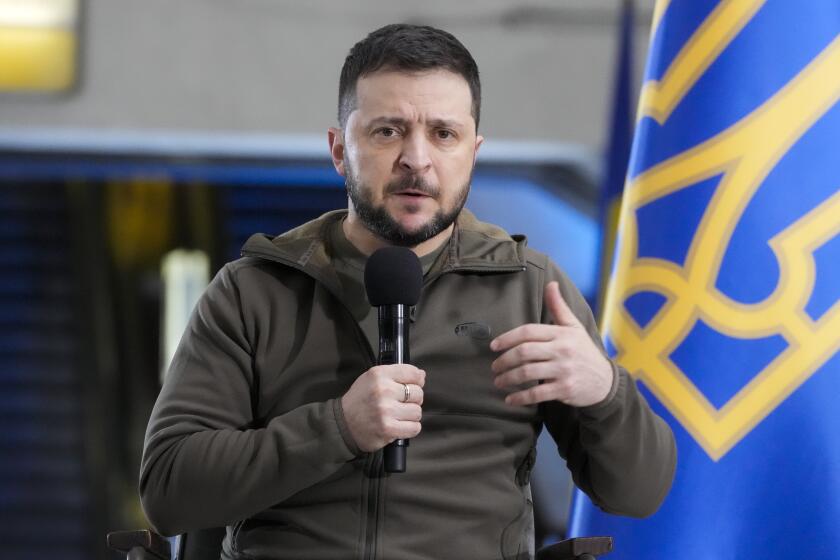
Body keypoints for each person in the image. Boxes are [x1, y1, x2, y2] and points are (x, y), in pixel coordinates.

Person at [139, 23, 676, 560]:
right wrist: (338, 427)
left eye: (444, 134)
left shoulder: (530, 289)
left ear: (473, 150)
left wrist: (605, 391)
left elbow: (639, 492)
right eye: (388, 131)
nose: (417, 159)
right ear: (338, 150)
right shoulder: (255, 290)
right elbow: (167, 491)